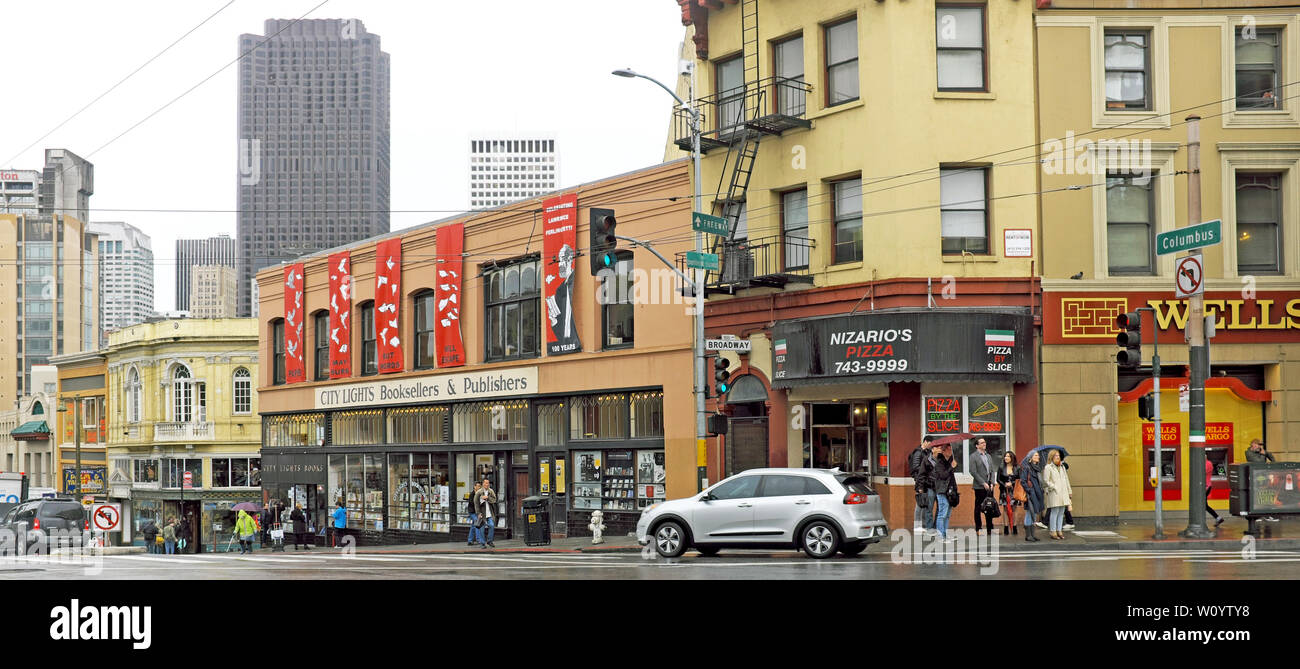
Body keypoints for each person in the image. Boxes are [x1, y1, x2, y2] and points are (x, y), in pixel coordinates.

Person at [1043, 449, 1073, 540]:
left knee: (1061, 512)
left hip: (1063, 492)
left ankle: (1059, 530)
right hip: (1054, 493)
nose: (1058, 457)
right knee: (1054, 512)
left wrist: (1069, 491)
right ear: (1052, 457)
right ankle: (1053, 531)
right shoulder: (1048, 467)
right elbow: (1046, 481)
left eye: (1058, 456)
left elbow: (1066, 480)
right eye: (1056, 456)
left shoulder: (1062, 467)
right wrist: (1054, 486)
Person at [931, 442, 958, 542]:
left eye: (951, 449)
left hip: (950, 491)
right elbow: (943, 475)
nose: (951, 451)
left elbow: (951, 477)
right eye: (949, 449)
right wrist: (952, 467)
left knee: (947, 514)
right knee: (942, 513)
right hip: (942, 491)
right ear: (943, 451)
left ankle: (945, 534)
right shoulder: (939, 462)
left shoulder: (949, 461)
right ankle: (940, 536)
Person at [970, 437, 996, 535]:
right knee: (978, 507)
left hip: (989, 486)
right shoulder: (973, 456)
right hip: (979, 486)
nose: (984, 444)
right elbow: (973, 471)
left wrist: (992, 482)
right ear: (977, 445)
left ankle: (990, 529)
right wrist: (983, 483)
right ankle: (978, 528)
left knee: (990, 507)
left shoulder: (988, 456)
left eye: (984, 442)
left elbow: (992, 470)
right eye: (981, 443)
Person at [911, 436, 936, 533]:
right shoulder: (918, 452)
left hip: (926, 481)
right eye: (930, 443)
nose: (931, 446)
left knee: (926, 504)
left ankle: (924, 525)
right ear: (925, 442)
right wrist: (920, 482)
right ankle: (917, 526)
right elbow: (916, 467)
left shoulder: (927, 452)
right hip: (920, 481)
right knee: (920, 503)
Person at [1020, 451, 1044, 542]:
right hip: (1031, 494)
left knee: (1033, 513)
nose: (1038, 457)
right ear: (1030, 458)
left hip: (1037, 494)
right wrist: (1029, 491)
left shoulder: (1037, 468)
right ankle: (1028, 535)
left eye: (1038, 455)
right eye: (1036, 455)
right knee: (1029, 513)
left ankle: (1032, 535)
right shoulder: (1027, 468)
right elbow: (1023, 481)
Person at [996, 451, 1018, 535]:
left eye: (1008, 456)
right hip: (1004, 491)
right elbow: (998, 479)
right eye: (1005, 456)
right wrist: (1004, 484)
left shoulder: (1017, 467)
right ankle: (1006, 527)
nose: (1006, 458)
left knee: (1014, 509)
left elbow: (1019, 479)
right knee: (1005, 509)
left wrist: (1012, 483)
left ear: (1012, 458)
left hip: (1014, 491)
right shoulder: (1001, 467)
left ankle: (1015, 527)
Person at [477, 478, 498, 549]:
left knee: (491, 526)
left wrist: (487, 498)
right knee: (482, 529)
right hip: (482, 514)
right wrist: (478, 513)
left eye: (488, 483)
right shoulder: (479, 492)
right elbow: (476, 503)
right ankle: (483, 543)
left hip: (489, 513)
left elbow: (494, 500)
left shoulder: (491, 491)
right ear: (483, 484)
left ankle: (489, 541)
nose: (487, 484)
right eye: (485, 483)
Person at [1205, 459, 1224, 528]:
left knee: (1203, 505)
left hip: (1205, 487)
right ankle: (1218, 518)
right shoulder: (1209, 463)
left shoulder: (1205, 464)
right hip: (1208, 486)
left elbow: (1202, 472)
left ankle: (1218, 518)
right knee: (1204, 505)